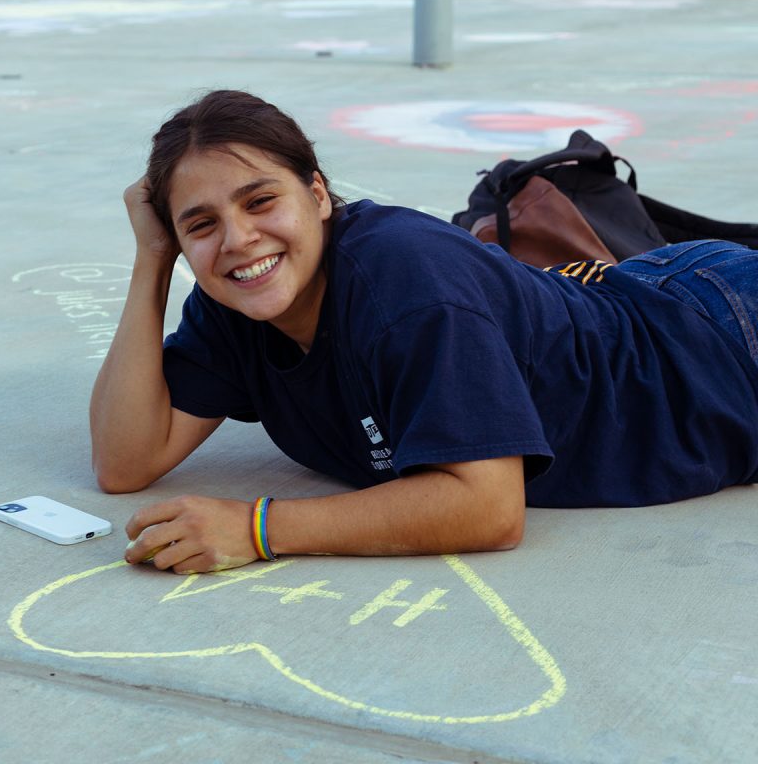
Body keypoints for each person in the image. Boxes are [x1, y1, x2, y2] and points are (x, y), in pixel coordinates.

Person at [89, 89, 758, 575]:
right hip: (657, 300)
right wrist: (152, 260)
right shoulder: (238, 299)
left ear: (318, 196)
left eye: (261, 201)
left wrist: (257, 527)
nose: (238, 240)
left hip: (721, 336)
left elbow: (486, 508)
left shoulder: (405, 281)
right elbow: (126, 460)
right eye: (199, 225)